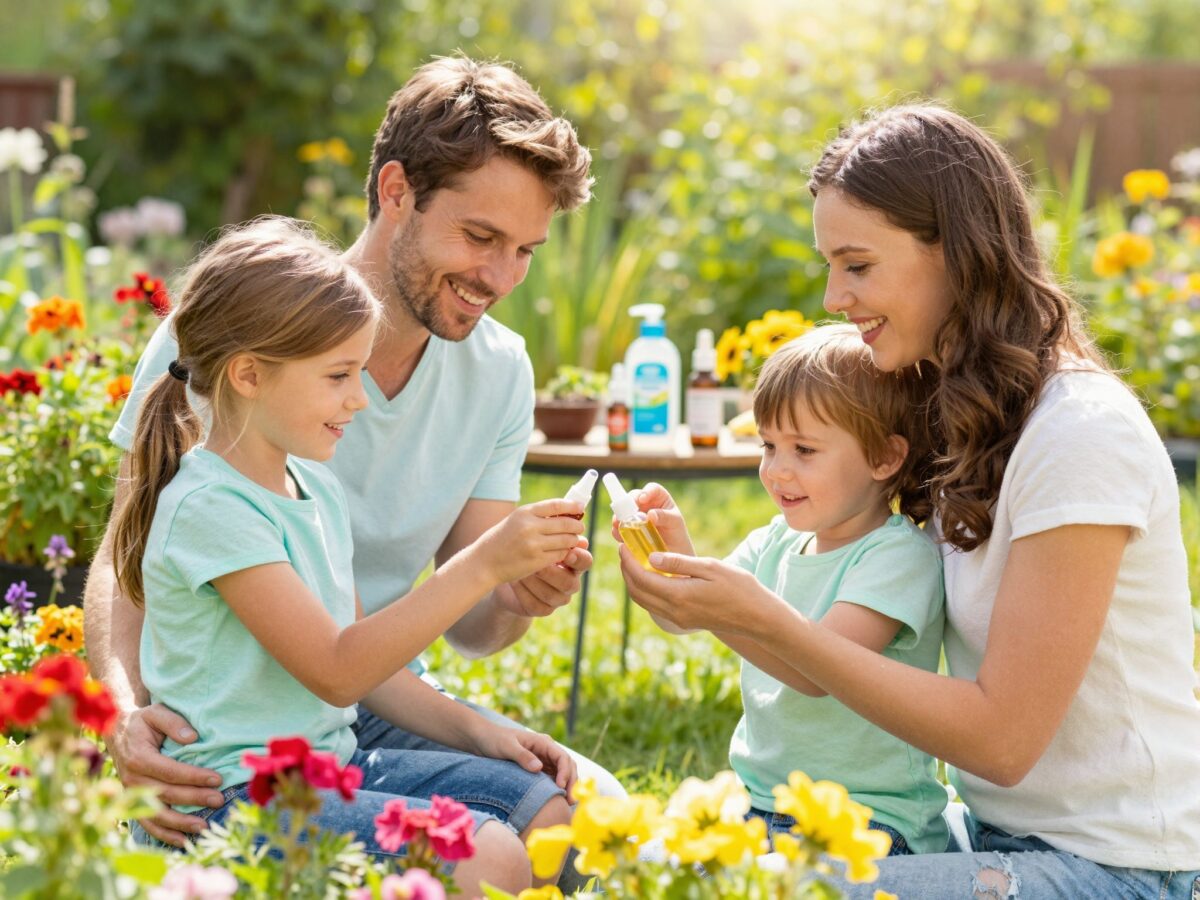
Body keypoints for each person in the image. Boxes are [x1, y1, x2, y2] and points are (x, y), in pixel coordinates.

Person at [620, 103, 1200, 899]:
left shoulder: (1079, 435)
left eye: (857, 265)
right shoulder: (970, 412)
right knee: (697, 865)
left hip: (1117, 868)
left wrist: (759, 617)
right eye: (831, 265)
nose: (833, 296)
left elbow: (1002, 741)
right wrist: (711, 600)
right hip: (999, 835)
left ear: (958, 255)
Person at [83, 55, 625, 856]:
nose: (500, 277)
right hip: (231, 712)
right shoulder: (244, 330)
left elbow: (464, 626)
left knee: (590, 816)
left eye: (527, 251)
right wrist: (122, 710)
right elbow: (124, 558)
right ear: (396, 191)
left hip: (361, 692)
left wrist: (515, 593)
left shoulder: (498, 369)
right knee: (489, 852)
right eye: (480, 237)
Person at [111, 218, 580, 895]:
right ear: (248, 375)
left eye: (359, 372)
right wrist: (482, 565)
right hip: (232, 804)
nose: (359, 398)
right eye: (338, 376)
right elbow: (335, 671)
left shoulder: (314, 484)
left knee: (541, 811)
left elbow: (368, 672)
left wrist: (482, 733)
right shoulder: (212, 508)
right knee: (490, 856)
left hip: (328, 770)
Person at [621, 324, 947, 858]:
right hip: (761, 805)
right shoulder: (774, 542)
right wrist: (667, 557)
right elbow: (684, 617)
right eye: (769, 445)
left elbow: (816, 671)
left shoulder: (896, 558)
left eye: (804, 450)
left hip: (868, 822)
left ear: (885, 458)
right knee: (650, 867)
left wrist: (716, 610)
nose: (777, 470)